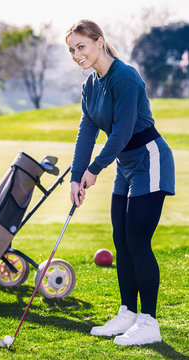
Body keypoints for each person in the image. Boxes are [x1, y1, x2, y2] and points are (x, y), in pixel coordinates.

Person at [66, 20, 175, 346]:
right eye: (71, 50)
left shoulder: (125, 77)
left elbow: (123, 132)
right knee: (121, 240)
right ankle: (127, 313)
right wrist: (76, 176)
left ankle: (149, 322)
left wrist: (95, 169)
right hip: (126, 165)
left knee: (138, 240)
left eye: (81, 46)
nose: (76, 54)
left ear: (99, 42)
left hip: (150, 159)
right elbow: (87, 131)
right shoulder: (91, 84)